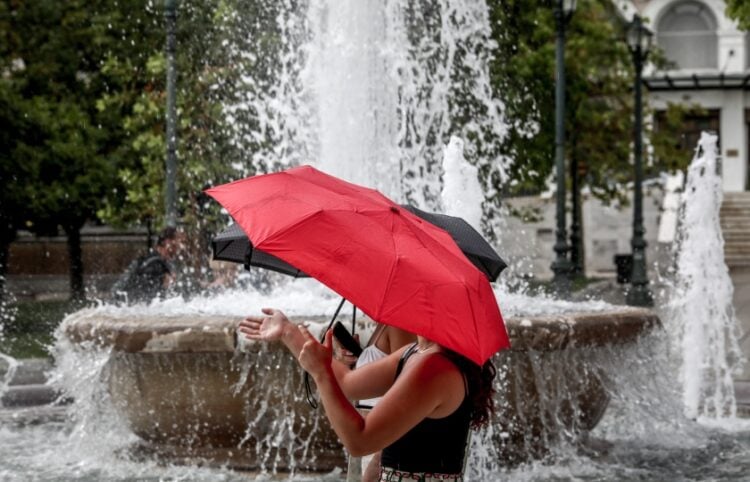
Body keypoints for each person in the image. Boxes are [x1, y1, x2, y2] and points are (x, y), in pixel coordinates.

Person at [238, 308, 497, 481]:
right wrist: (288, 331)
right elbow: (348, 383)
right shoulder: (416, 353)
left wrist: (320, 374)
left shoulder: (435, 367)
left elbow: (360, 441)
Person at [332, 323, 416, 482]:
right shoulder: (385, 324)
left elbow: (407, 398)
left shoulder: (400, 326)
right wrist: (351, 363)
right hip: (371, 443)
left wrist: (380, 459)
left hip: (383, 448)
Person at [111, 227, 184, 303]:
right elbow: (144, 297)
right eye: (179, 241)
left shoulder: (153, 261)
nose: (182, 246)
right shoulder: (153, 264)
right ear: (167, 242)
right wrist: (162, 280)